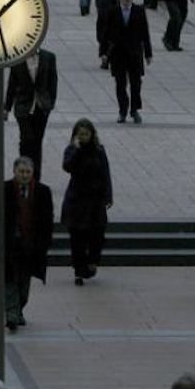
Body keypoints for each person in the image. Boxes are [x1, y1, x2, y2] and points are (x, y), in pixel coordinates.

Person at [3, 157, 53, 330]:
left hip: (31, 245)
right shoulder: (4, 189)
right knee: (9, 279)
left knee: (24, 283)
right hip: (9, 245)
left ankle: (18, 309)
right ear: (14, 171)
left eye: (27, 172)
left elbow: (48, 220)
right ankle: (11, 313)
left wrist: (44, 243)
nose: (24, 175)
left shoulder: (43, 191)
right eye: (21, 172)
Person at [61, 119, 111, 285]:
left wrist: (108, 195)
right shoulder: (72, 150)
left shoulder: (99, 151)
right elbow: (67, 166)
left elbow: (105, 173)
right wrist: (76, 150)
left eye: (86, 134)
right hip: (77, 200)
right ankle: (78, 270)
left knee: (97, 233)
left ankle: (92, 261)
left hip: (95, 199)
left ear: (92, 134)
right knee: (78, 236)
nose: (83, 137)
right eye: (80, 134)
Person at [4, 47, 57, 182]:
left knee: (37, 141)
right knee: (26, 139)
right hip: (23, 106)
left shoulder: (48, 57)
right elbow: (12, 84)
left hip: (41, 107)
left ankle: (35, 175)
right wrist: (7, 108)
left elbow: (53, 81)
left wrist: (50, 103)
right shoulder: (18, 59)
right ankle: (23, 169)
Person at [105, 0, 152, 124]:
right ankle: (122, 110)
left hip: (135, 53)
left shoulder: (139, 11)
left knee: (136, 83)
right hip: (118, 54)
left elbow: (145, 33)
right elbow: (106, 32)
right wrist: (103, 52)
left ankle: (135, 110)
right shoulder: (113, 11)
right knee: (120, 84)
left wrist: (148, 53)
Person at [87, 0, 128, 69]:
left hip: (103, 10)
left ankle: (105, 57)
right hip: (115, 9)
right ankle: (112, 55)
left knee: (102, 35)